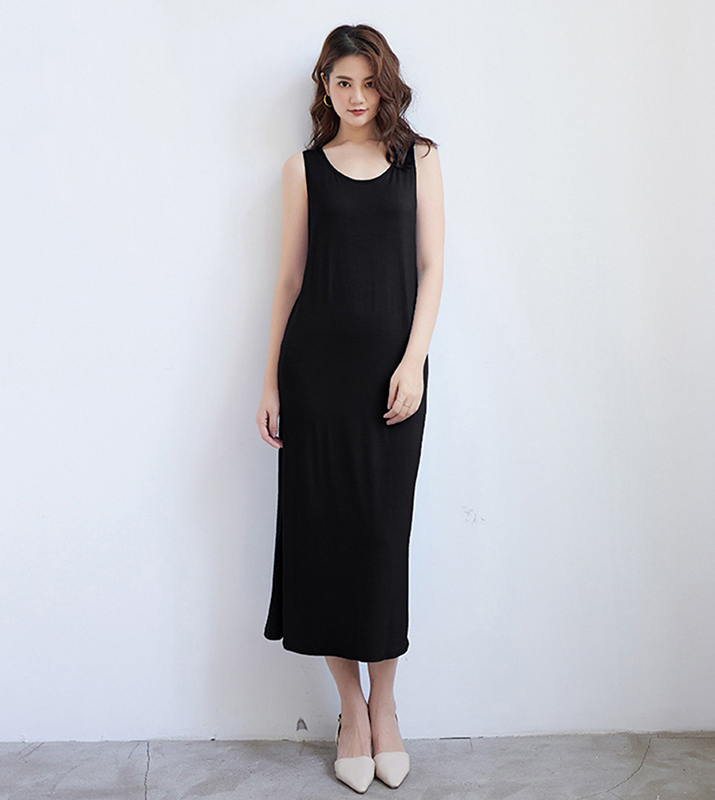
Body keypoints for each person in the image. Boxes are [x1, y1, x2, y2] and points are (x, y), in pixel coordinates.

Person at [255, 23, 444, 793]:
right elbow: (289, 280)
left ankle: (386, 706)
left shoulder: (419, 160)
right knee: (325, 541)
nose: (357, 96)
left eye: (369, 83)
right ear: (325, 87)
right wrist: (270, 382)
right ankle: (351, 713)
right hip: (316, 379)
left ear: (385, 85)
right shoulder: (302, 170)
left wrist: (413, 361)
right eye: (343, 83)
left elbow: (432, 267)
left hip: (391, 384)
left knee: (379, 540)